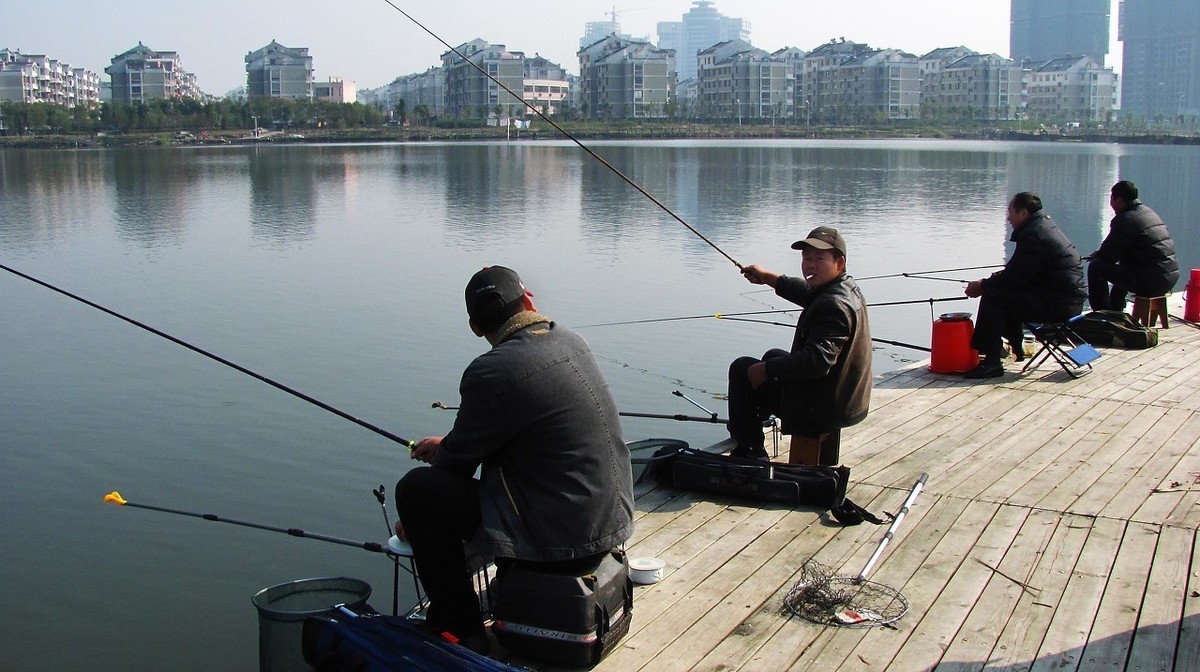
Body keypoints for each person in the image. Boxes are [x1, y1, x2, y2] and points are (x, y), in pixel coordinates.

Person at [393, 266, 634, 651]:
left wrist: (414, 516)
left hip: (561, 539)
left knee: (417, 490)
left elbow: (454, 467)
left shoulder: (491, 370)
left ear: (475, 327)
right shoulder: (572, 340)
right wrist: (452, 443)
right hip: (611, 523)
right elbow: (506, 428)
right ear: (529, 299)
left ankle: (459, 627)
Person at [727, 226, 872, 465]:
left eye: (819, 258)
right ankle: (755, 416)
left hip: (825, 408)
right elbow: (806, 293)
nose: (810, 264)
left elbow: (816, 361)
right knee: (772, 355)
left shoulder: (833, 305)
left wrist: (767, 370)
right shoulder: (843, 287)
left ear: (840, 262)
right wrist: (767, 277)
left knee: (743, 368)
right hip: (843, 395)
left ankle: (750, 450)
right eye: (806, 257)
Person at [963, 192, 1086, 379]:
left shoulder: (1034, 235)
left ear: (1023, 213)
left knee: (993, 296)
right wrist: (991, 281)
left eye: (1011, 211)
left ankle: (992, 361)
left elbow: (1014, 278)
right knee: (1005, 292)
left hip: (1058, 305)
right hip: (1068, 301)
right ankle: (1016, 348)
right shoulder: (1043, 227)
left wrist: (982, 285)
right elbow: (1019, 272)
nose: (1008, 217)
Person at [1087, 180, 1179, 312]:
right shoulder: (1148, 213)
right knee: (1126, 265)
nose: (1111, 203)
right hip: (1169, 277)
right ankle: (1115, 308)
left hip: (1152, 281)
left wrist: (1097, 255)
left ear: (1118, 200)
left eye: (1111, 199)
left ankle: (1103, 316)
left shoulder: (1125, 219)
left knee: (1096, 267)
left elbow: (1108, 256)